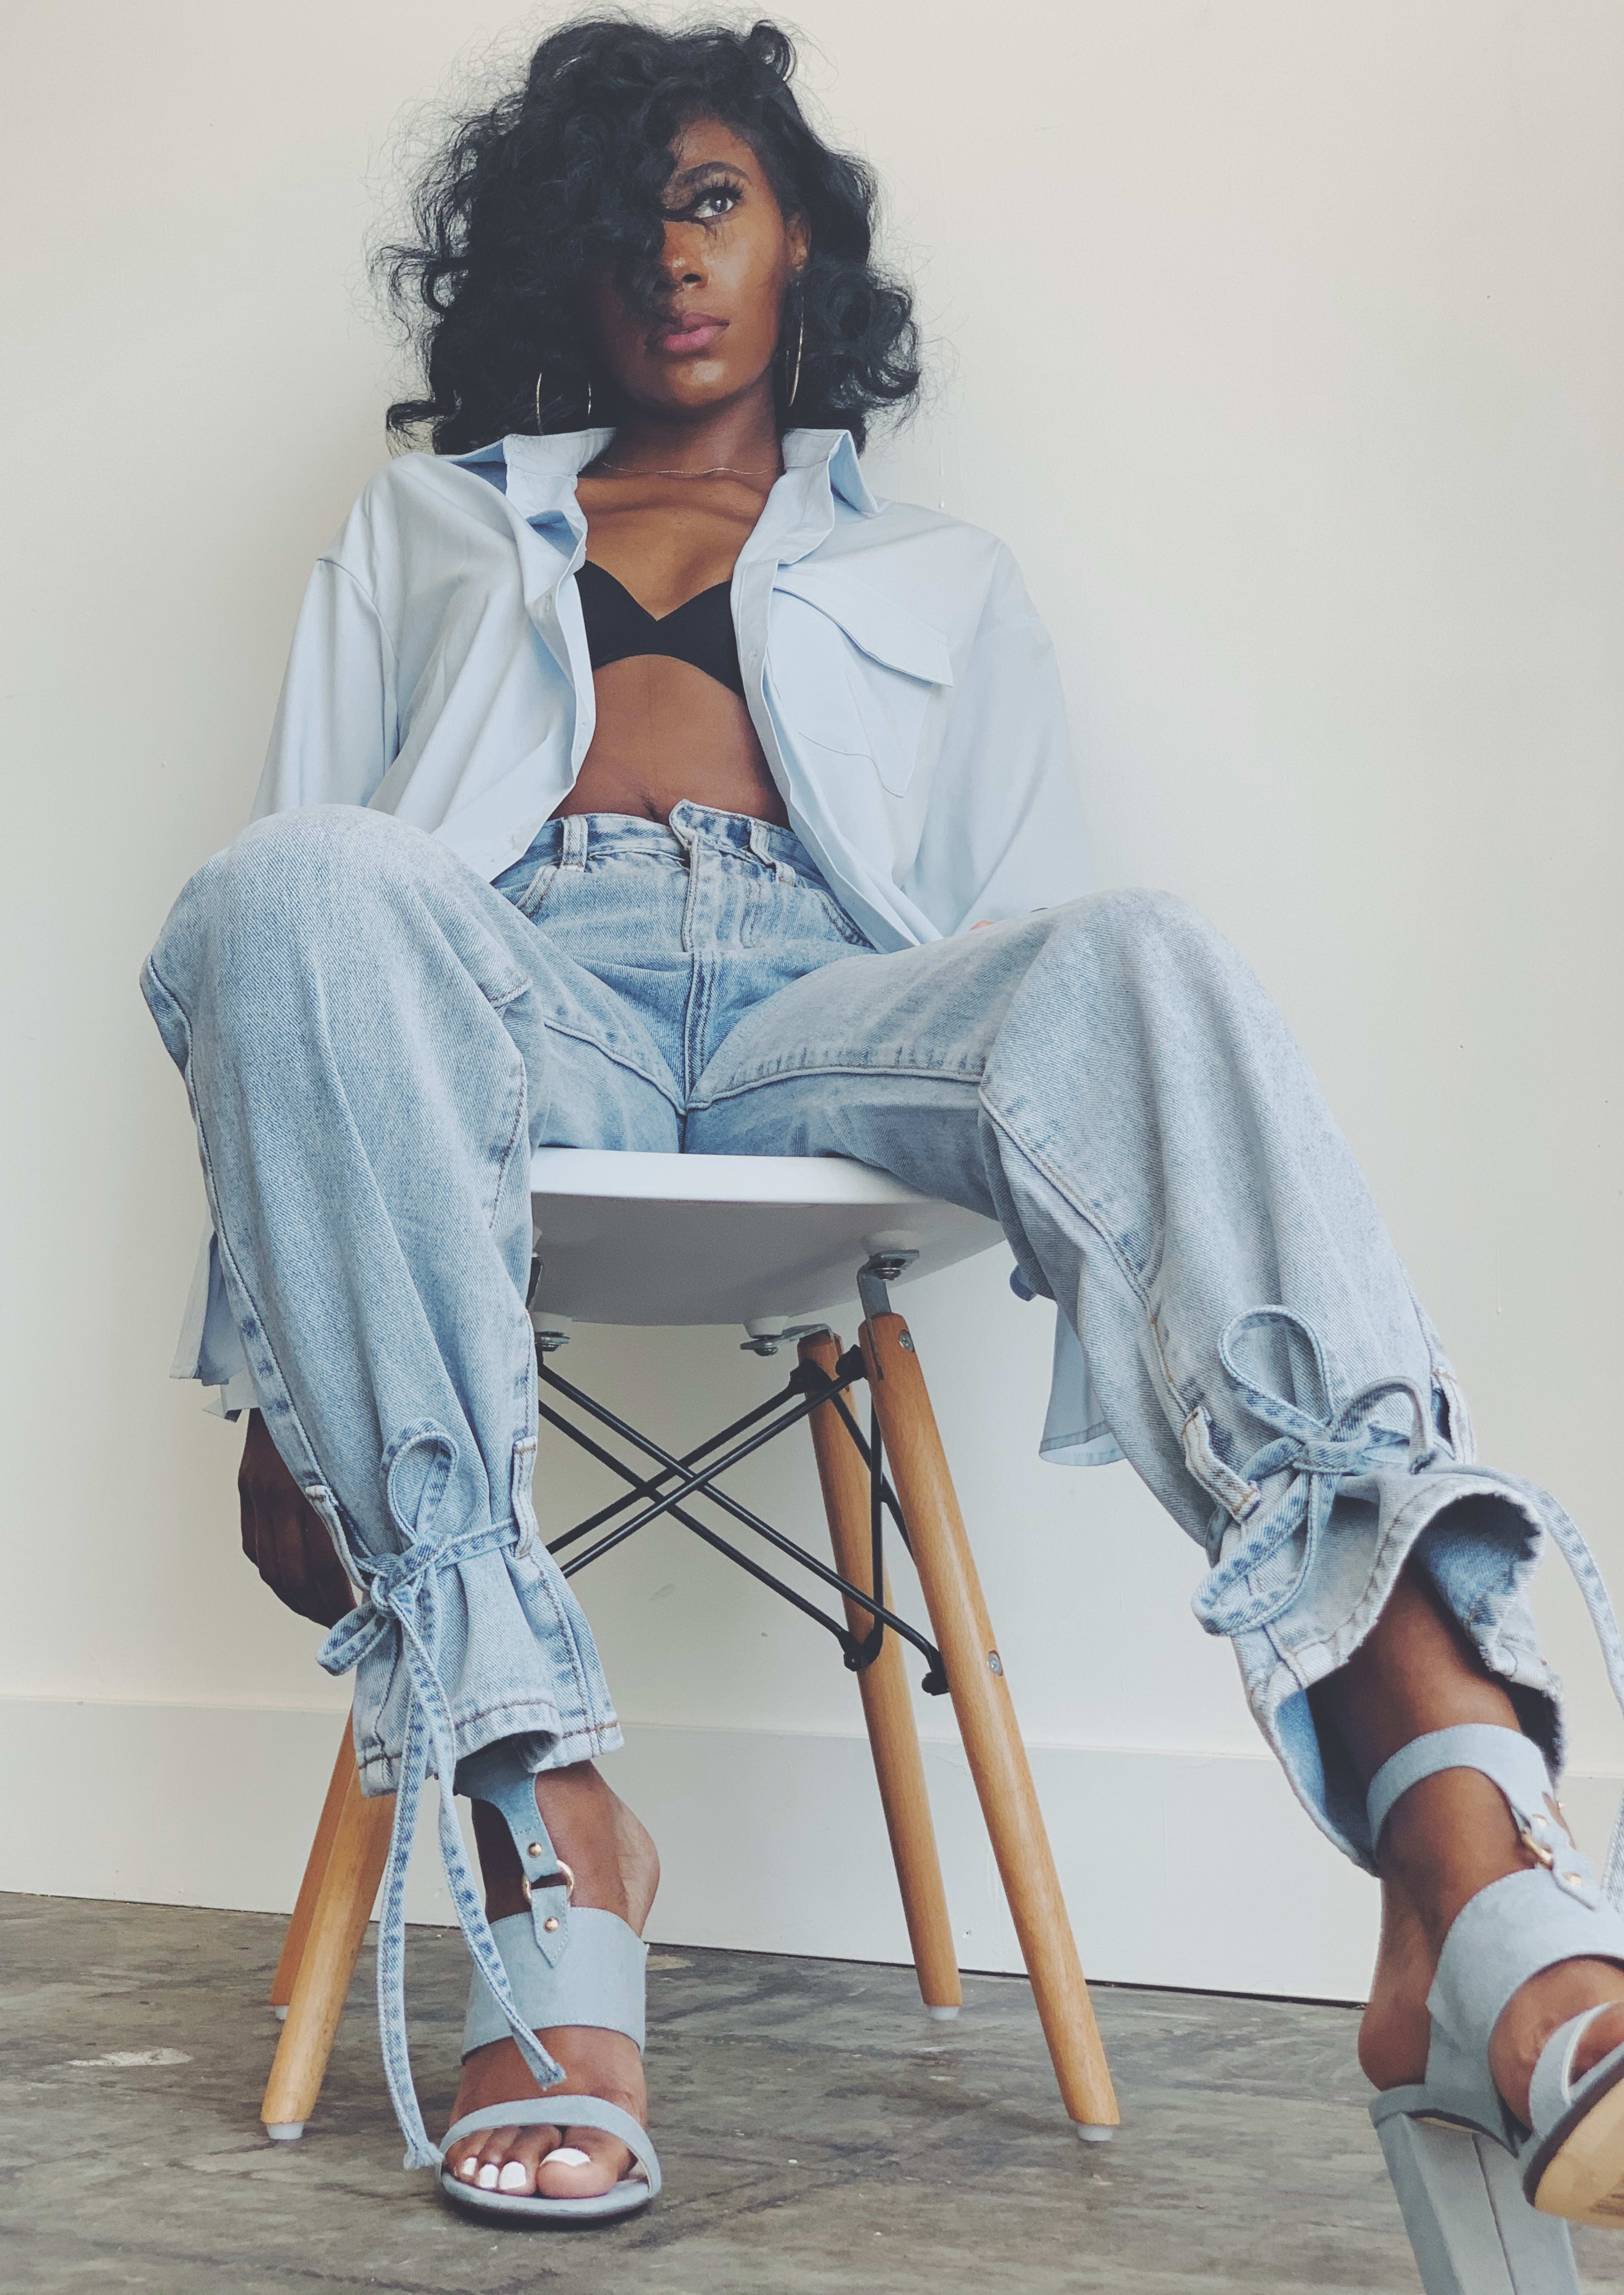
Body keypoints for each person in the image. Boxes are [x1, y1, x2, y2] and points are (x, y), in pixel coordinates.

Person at [143, 13, 1624, 2270]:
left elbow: (1021, 957)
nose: (673, 258)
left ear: (802, 235)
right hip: (514, 996)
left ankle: (1462, 1827)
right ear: (565, 261)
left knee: (1135, 952)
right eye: (627, 217)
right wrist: (283, 1353)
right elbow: (316, 935)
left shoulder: (941, 575)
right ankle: (549, 1823)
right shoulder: (429, 526)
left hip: (836, 1007)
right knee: (284, 884)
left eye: (715, 200)